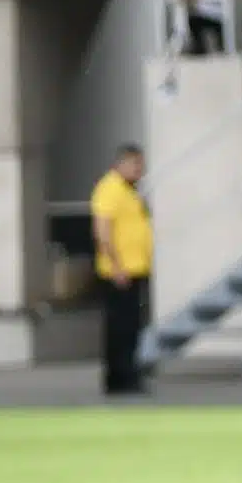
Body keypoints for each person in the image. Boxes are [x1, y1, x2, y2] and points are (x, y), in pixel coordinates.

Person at [91, 140, 151, 394]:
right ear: (122, 163)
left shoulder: (130, 191)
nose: (140, 169)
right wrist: (117, 266)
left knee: (132, 327)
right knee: (121, 328)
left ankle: (124, 375)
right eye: (136, 164)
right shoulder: (109, 189)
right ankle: (122, 377)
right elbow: (103, 230)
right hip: (120, 272)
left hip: (135, 269)